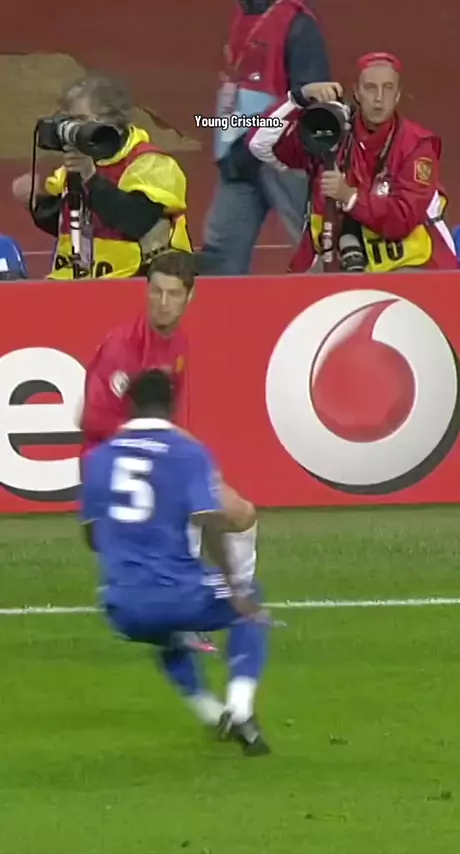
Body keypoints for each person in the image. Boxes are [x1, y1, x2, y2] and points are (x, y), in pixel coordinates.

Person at [80, 369, 270, 755]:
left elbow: (92, 537)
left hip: (122, 607)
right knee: (250, 601)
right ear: (172, 407)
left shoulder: (98, 459)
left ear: (130, 406)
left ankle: (208, 709)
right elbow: (210, 521)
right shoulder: (187, 453)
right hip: (178, 593)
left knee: (167, 631)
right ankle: (240, 707)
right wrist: (233, 586)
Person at [79, 248, 258, 599]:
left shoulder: (178, 343)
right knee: (196, 509)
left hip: (153, 460)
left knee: (241, 514)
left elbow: (167, 417)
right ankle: (189, 604)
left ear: (190, 296)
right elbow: (96, 421)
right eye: (156, 291)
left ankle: (238, 599)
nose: (162, 303)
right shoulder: (124, 348)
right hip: (117, 469)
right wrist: (167, 448)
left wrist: (176, 449)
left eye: (173, 293)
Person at [248, 52, 460, 272]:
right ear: (357, 93)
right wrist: (298, 98)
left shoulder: (417, 145)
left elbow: (402, 220)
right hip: (335, 263)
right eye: (370, 88)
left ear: (398, 95)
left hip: (413, 267)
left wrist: (349, 197)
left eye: (388, 88)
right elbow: (259, 144)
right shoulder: (331, 133)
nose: (379, 98)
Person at [12, 72, 192, 280]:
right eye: (67, 120)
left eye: (80, 120)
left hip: (138, 281)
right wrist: (34, 203)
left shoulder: (152, 165)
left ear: (111, 121)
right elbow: (69, 223)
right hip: (77, 279)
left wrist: (91, 178)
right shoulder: (79, 160)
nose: (71, 130)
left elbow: (135, 221)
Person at [197, 0, 331, 275]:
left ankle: (337, 299)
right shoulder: (243, 12)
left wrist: (256, 146)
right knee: (220, 255)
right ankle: (218, 305)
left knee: (315, 246)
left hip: (284, 162)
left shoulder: (298, 24)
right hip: (238, 157)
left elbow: (311, 100)